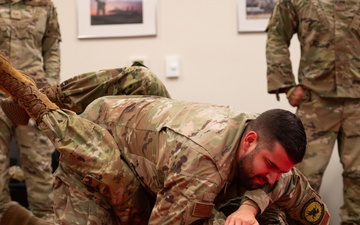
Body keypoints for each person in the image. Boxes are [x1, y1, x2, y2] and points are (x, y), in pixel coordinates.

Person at [0, 52, 330, 225]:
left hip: (150, 140)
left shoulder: (271, 154)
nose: (273, 178)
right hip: (100, 134)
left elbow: (305, 205)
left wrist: (250, 206)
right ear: (250, 141)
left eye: (280, 172)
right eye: (270, 166)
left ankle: (17, 217)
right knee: (118, 186)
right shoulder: (201, 166)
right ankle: (39, 102)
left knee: (142, 79)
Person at [266, 0, 360, 224]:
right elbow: (277, 35)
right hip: (316, 101)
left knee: (359, 175)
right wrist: (286, 85)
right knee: (302, 176)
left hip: (358, 101)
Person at [0, 0, 61, 221]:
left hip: (32, 95)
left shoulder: (44, 5)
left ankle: (45, 220)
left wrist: (50, 85)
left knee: (40, 167)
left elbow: (52, 47)